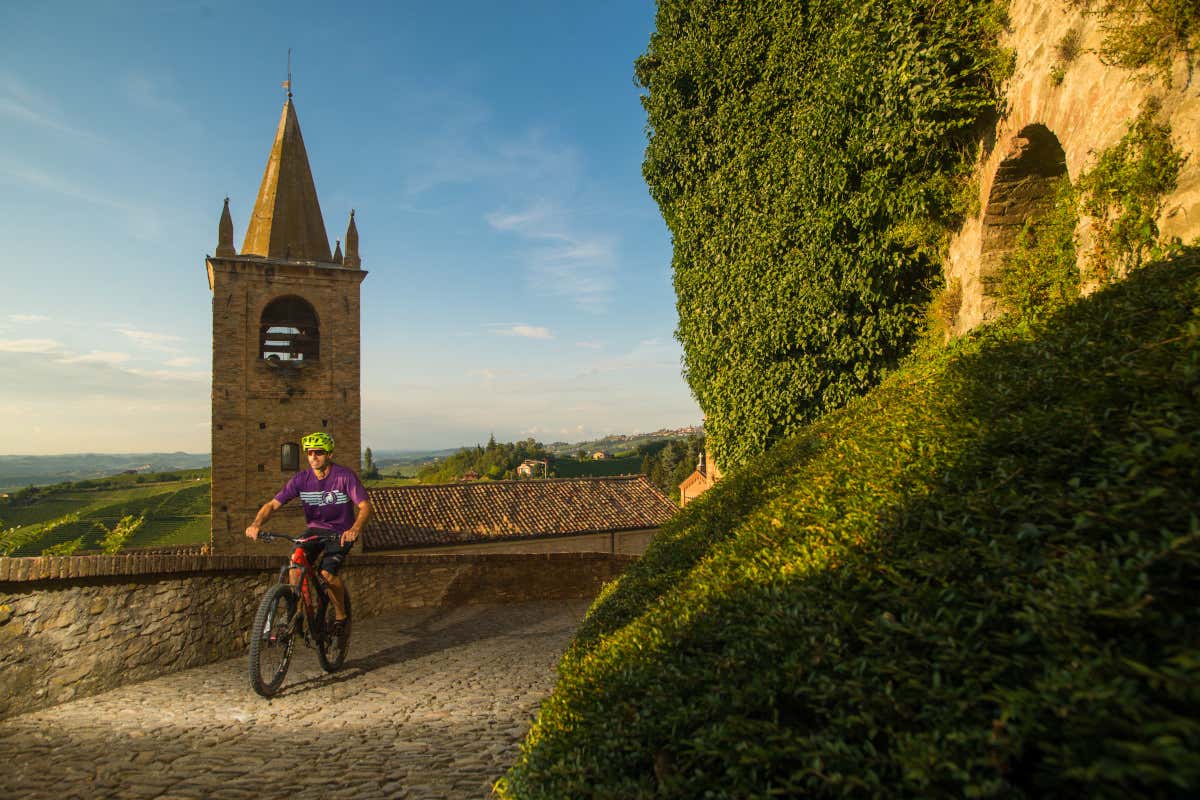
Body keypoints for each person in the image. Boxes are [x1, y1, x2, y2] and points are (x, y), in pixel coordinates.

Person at [245, 431, 370, 634]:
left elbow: (365, 507)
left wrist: (355, 529)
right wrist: (256, 523)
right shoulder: (301, 479)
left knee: (327, 574)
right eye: (309, 453)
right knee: (296, 561)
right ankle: (298, 611)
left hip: (340, 532)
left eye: (318, 452)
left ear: (329, 454)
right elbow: (272, 505)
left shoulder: (344, 476)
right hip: (314, 530)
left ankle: (341, 615)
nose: (313, 457)